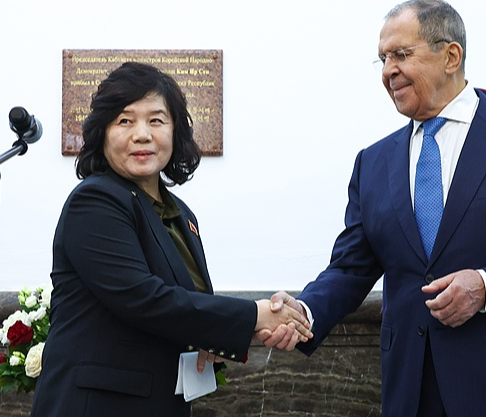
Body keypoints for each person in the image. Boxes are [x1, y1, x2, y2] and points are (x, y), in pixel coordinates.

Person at [263, 0, 486, 417]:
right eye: (383, 59)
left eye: (401, 54)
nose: (389, 70)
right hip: (413, 392)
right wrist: (305, 310)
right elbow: (351, 268)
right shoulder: (373, 163)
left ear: (451, 56)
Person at [31, 62, 312, 417]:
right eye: (125, 121)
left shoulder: (180, 214)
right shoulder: (95, 201)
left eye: (156, 120)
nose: (142, 135)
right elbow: (143, 298)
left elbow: (189, 305)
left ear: (175, 130)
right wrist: (254, 315)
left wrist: (233, 333)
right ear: (102, 133)